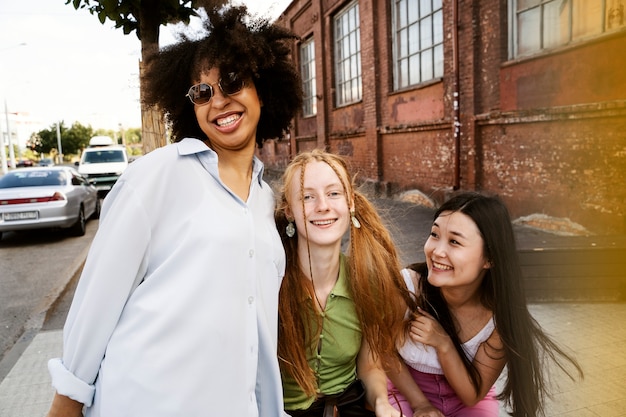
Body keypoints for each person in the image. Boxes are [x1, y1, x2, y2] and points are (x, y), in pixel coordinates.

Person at [46, 6, 302, 417]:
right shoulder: (156, 176)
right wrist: (66, 402)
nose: (218, 100)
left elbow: (256, 325)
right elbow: (98, 298)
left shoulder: (266, 201)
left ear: (262, 89)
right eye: (201, 93)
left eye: (232, 81)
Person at [386, 192, 583, 417]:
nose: (437, 251)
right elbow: (383, 352)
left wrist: (444, 344)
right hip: (407, 389)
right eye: (434, 234)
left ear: (489, 258)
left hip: (466, 400)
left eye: (454, 241)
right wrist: (421, 404)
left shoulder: (500, 318)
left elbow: (471, 395)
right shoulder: (407, 287)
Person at [275, 150, 412, 417]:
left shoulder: (367, 282)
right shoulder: (269, 283)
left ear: (350, 202)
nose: (323, 205)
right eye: (307, 196)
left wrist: (382, 403)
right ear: (289, 210)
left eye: (333, 193)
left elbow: (370, 366)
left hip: (346, 408)